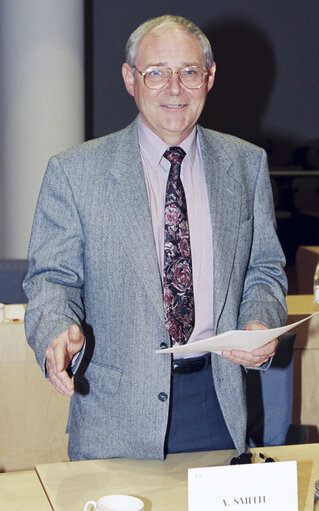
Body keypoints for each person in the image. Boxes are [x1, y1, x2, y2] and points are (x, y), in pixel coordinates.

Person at [24, 14, 287, 462]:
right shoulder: (74, 172)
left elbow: (263, 267)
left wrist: (259, 321)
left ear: (210, 77)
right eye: (156, 73)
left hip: (216, 401)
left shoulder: (247, 165)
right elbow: (52, 279)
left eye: (188, 72)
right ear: (130, 79)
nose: (174, 88)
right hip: (115, 414)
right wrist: (55, 332)